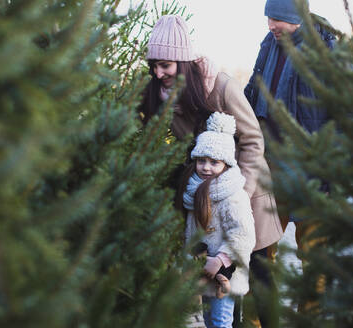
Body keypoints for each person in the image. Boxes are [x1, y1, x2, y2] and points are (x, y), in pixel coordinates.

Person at [139, 15, 284, 327]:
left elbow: (252, 140)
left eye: (165, 64)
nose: (157, 72)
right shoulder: (162, 94)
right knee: (215, 281)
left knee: (257, 275)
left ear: (182, 60)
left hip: (246, 198)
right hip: (203, 203)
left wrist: (238, 196)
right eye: (154, 65)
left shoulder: (220, 87)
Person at [244, 0, 337, 315]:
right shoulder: (270, 44)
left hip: (311, 171)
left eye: (277, 18)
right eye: (268, 17)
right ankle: (255, 322)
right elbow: (254, 90)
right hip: (269, 166)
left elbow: (341, 116)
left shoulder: (327, 50)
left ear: (296, 17)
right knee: (258, 249)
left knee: (313, 256)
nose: (271, 25)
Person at [177, 112, 256, 327]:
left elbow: (244, 235)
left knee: (221, 321)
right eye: (201, 161)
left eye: (214, 162)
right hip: (202, 270)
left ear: (226, 165)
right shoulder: (194, 190)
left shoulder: (233, 196)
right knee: (210, 320)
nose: (206, 167)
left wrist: (221, 260)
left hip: (225, 274)